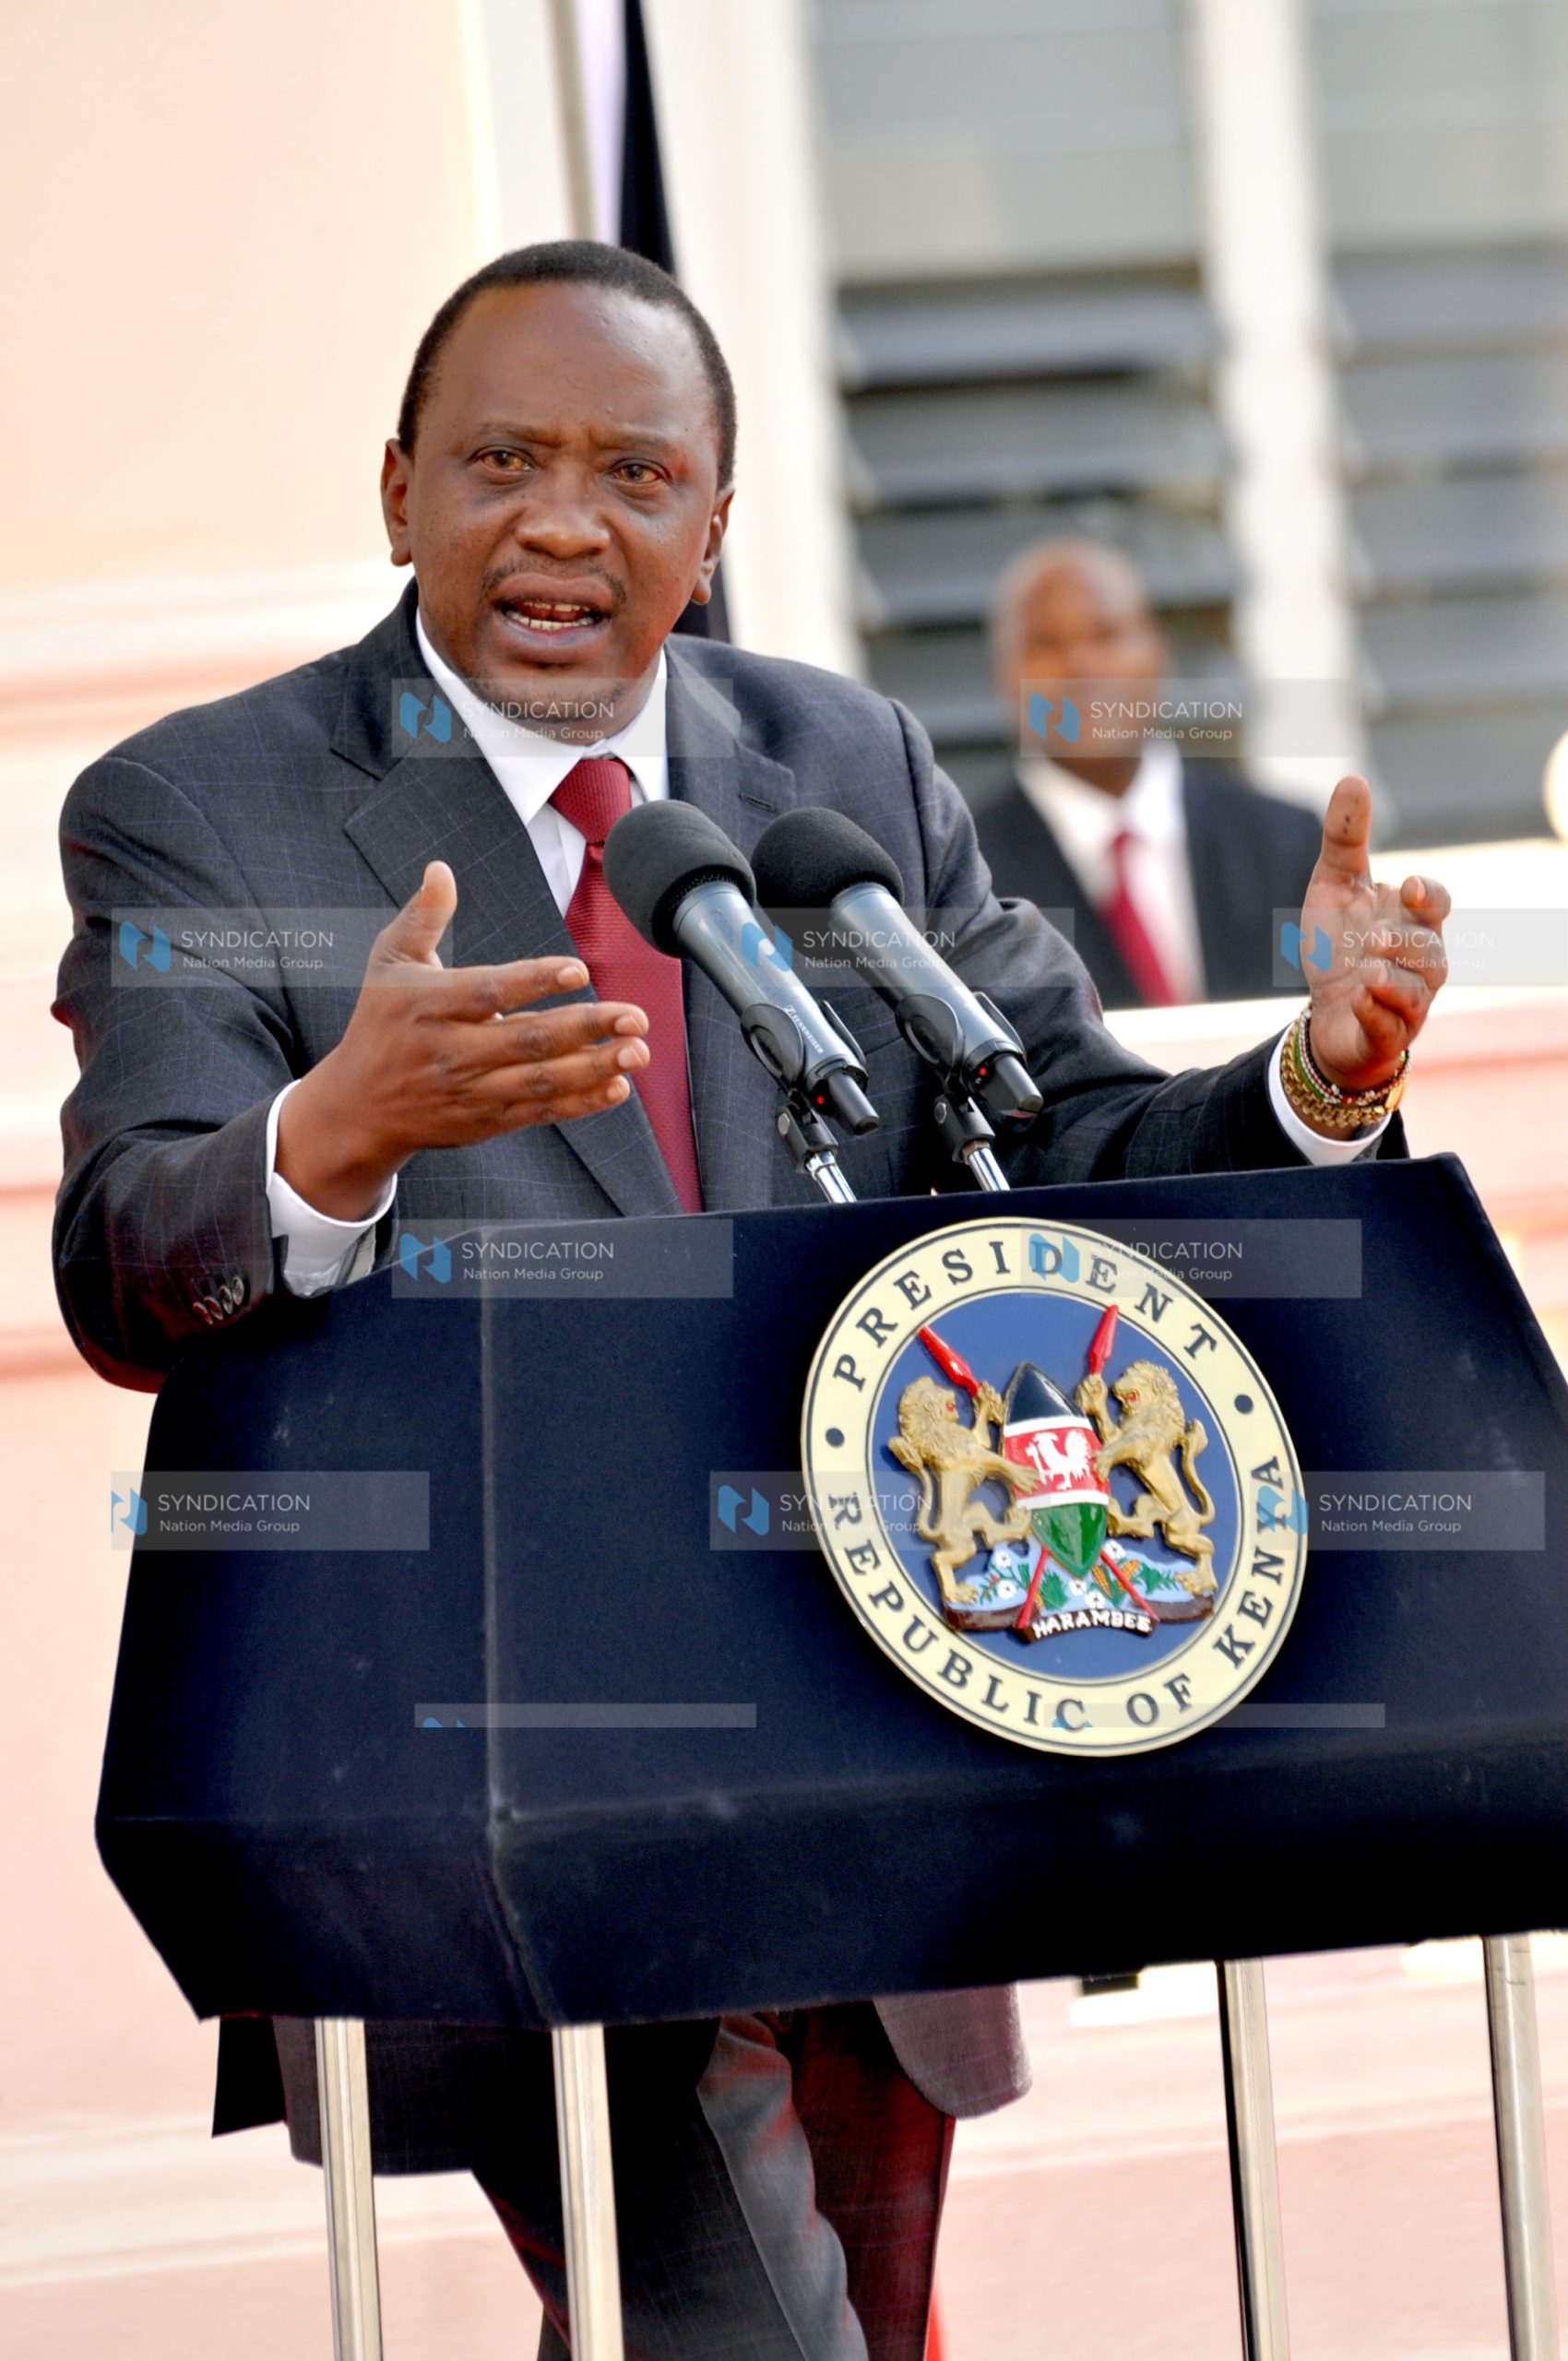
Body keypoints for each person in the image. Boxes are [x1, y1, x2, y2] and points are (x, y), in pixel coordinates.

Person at [53, 242, 1448, 2360]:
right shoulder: (202, 803)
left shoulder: (838, 764)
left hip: (875, 1728)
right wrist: (331, 1131)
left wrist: (1311, 1076)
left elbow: (1051, 1134)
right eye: (499, 460)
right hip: (509, 1780)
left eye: (632, 470)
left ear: (712, 523)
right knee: (749, 2329)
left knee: (835, 2332)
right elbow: (128, 1260)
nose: (559, 519)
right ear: (397, 490)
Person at [976, 538, 1325, 1006]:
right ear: (1006, 678)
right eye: (1047, 643)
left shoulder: (1286, 844)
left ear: (1160, 654)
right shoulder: (968, 882)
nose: (1082, 665)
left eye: (1107, 634)